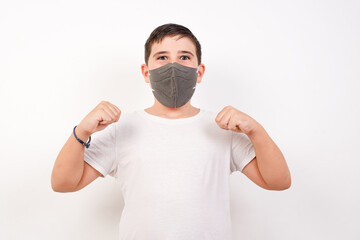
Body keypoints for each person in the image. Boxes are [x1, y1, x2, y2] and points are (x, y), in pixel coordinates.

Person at [51, 23, 291, 240]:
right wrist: (82, 131)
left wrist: (256, 131)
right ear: (146, 72)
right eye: (162, 57)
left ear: (200, 71)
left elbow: (278, 181)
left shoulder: (222, 129)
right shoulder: (123, 129)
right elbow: (63, 183)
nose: (173, 65)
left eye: (185, 57)